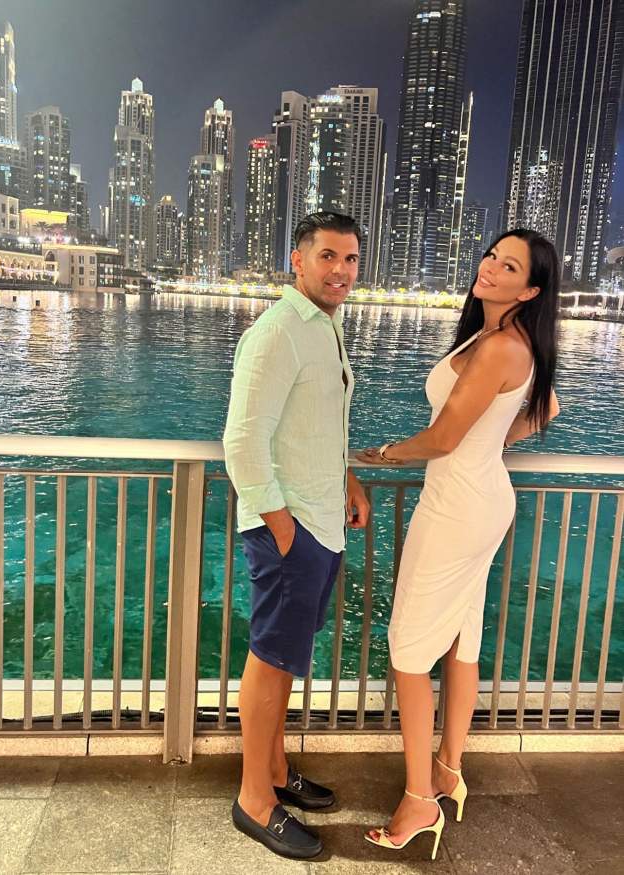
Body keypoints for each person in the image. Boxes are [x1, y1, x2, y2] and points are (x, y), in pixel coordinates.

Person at [357, 229, 560, 860]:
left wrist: (378, 454)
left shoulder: (500, 346)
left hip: (456, 508)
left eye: (510, 267)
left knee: (408, 650)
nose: (491, 267)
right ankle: (447, 769)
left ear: (530, 290)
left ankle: (420, 801)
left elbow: (442, 439)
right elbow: (546, 407)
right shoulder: (504, 339)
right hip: (477, 500)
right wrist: (491, 443)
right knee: (460, 638)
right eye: (492, 256)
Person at [223, 211, 370, 860]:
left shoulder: (325, 327)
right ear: (299, 260)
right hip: (290, 527)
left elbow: (318, 425)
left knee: (285, 659)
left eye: (351, 258)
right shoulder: (278, 331)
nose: (341, 270)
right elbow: (242, 441)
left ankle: (277, 769)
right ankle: (254, 799)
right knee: (270, 658)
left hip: (320, 519)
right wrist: (283, 528)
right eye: (328, 256)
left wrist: (348, 481)